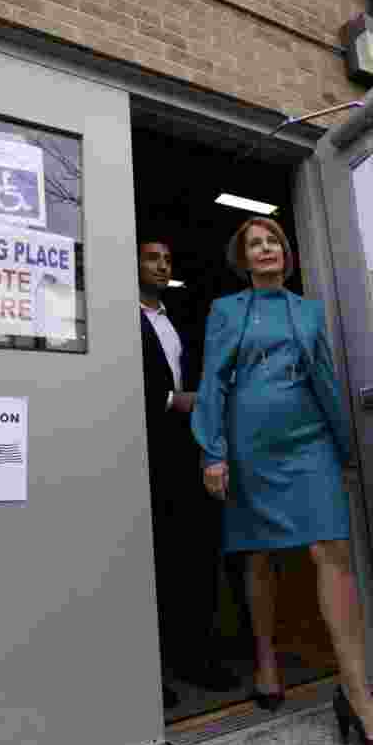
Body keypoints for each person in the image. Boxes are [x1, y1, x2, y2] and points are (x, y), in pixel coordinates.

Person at [191, 217, 373, 745]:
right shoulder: (225, 310)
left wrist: (342, 448)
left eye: (274, 242)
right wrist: (212, 450)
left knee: (331, 550)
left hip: (308, 440)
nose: (266, 249)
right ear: (243, 259)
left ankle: (359, 698)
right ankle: (266, 664)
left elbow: (325, 379)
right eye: (255, 244)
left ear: (286, 254)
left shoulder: (309, 310)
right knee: (258, 553)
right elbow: (214, 378)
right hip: (248, 446)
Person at [138, 239, 240, 708]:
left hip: (187, 445)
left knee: (195, 552)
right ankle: (143, 669)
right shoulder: (118, 313)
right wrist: (170, 400)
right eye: (152, 258)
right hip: (141, 446)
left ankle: (194, 656)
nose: (162, 266)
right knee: (151, 558)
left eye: (167, 260)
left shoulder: (178, 319)